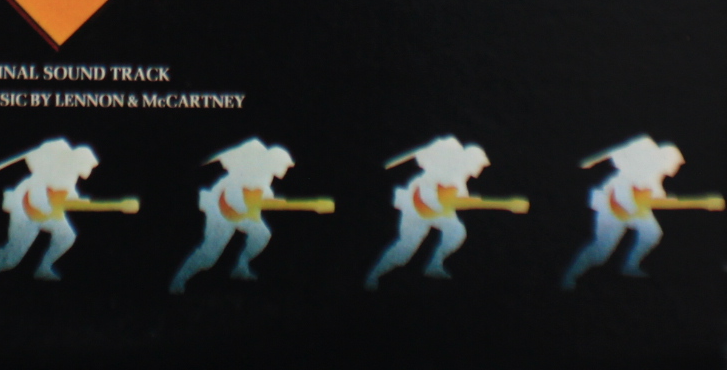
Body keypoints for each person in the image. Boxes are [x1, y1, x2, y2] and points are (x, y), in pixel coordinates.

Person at [0, 139, 138, 295]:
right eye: (87, 164)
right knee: (11, 259)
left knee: (66, 235)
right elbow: (56, 199)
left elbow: (68, 197)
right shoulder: (53, 171)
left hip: (47, 212)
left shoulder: (69, 175)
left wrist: (85, 203)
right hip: (25, 213)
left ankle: (43, 267)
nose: (89, 169)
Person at [170, 137, 333, 293]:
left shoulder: (265, 177)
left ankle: (240, 265)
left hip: (242, 214)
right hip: (220, 213)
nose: (285, 169)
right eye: (283, 165)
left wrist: (270, 202)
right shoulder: (248, 167)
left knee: (261, 234)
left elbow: (260, 196)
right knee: (208, 256)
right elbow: (233, 192)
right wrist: (243, 205)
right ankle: (178, 280)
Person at [365, 135, 528, 289]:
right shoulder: (450, 175)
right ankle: (374, 275)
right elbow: (453, 202)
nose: (480, 167)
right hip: (417, 211)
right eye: (479, 164)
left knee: (455, 231)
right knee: (405, 249)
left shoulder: (459, 178)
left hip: (436, 211)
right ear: (469, 161)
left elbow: (452, 203)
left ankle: (434, 264)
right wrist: (505, 204)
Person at [563, 135, 724, 289]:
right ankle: (570, 276)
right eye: (676, 162)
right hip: (614, 209)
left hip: (633, 208)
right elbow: (653, 202)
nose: (677, 166)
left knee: (651, 233)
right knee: (599, 253)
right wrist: (702, 202)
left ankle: (629, 266)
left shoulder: (655, 178)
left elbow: (655, 200)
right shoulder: (642, 173)